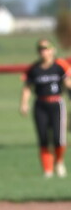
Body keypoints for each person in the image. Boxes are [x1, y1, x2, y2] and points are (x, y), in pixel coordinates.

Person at [20, 38, 71, 177]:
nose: (44, 52)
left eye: (46, 49)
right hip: (40, 104)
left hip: (57, 104)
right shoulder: (34, 69)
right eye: (41, 49)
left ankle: (59, 161)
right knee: (43, 138)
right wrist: (24, 104)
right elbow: (27, 87)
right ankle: (47, 171)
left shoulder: (60, 65)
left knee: (58, 138)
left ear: (53, 50)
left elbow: (68, 82)